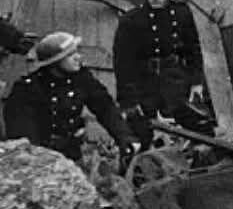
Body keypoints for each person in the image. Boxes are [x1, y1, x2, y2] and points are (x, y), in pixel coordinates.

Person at [113, 0, 212, 149]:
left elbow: (193, 50)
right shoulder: (131, 21)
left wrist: (196, 82)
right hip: (144, 83)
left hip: (174, 79)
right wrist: (128, 100)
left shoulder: (182, 14)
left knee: (198, 129)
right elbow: (122, 64)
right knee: (142, 133)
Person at [5, 32, 139, 165]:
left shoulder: (82, 79)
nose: (78, 58)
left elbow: (105, 108)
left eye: (77, 52)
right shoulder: (27, 89)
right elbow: (22, 135)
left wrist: (124, 137)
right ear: (55, 62)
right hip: (41, 159)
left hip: (72, 154)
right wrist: (37, 162)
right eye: (70, 55)